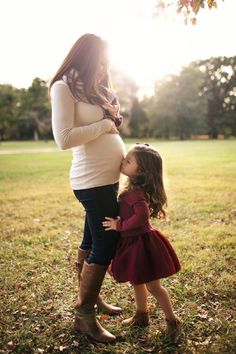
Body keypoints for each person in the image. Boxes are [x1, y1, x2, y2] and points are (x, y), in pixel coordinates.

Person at [49, 33, 126, 343]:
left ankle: (91, 299)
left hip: (107, 177)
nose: (103, 67)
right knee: (106, 243)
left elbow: (107, 125)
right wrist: (106, 125)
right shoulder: (63, 86)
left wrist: (113, 114)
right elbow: (64, 138)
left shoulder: (92, 89)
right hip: (90, 180)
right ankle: (84, 316)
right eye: (101, 61)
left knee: (91, 238)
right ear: (86, 57)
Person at [103, 144, 181, 343]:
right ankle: (141, 314)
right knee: (136, 280)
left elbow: (141, 218)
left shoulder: (136, 193)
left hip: (141, 244)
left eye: (128, 161)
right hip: (132, 243)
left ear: (141, 171)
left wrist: (119, 225)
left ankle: (172, 320)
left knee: (153, 287)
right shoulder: (132, 188)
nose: (123, 161)